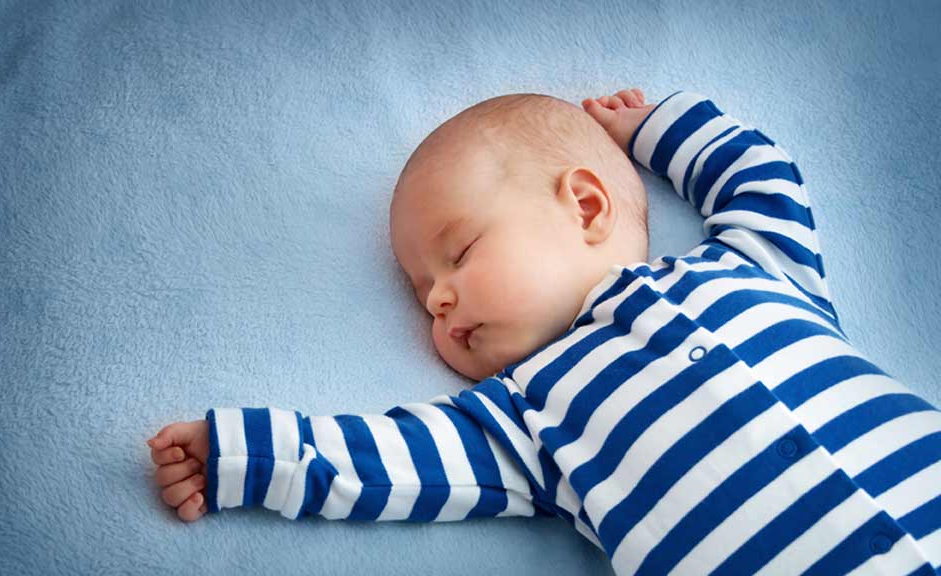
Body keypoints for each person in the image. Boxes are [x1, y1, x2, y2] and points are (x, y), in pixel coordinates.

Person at [146, 88, 941, 574]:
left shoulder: (752, 268)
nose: (438, 303)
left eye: (457, 254)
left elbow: (763, 178)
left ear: (588, 207)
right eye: (423, 292)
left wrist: (662, 129)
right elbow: (387, 463)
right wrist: (244, 456)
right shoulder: (528, 420)